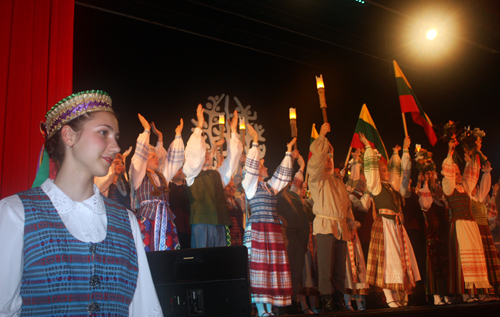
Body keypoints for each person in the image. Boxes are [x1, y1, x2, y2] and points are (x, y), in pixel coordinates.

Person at [0, 90, 162, 316]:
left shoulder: (126, 221)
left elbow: (144, 309)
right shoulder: (16, 213)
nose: (115, 146)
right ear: (69, 136)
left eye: (115, 136)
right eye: (104, 132)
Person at [360, 133, 421, 308]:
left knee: (401, 258)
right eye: (383, 170)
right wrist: (368, 147)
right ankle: (389, 297)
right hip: (385, 226)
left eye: (387, 170)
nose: (386, 173)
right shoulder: (376, 187)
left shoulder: (393, 189)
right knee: (388, 261)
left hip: (397, 226)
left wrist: (402, 150)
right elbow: (370, 173)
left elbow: (401, 174)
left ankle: (402, 295)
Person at [242, 124, 296, 317]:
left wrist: (288, 153)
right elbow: (250, 168)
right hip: (257, 229)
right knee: (260, 268)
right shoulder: (250, 186)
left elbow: (282, 175)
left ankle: (269, 308)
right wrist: (255, 142)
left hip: (271, 230)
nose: (265, 168)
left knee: (272, 267)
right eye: (263, 166)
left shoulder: (269, 186)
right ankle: (260, 309)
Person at [308, 123, 356, 312]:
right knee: (326, 268)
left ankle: (337, 300)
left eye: (330, 158)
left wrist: (351, 226)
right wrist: (322, 137)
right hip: (325, 226)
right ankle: (326, 302)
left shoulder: (338, 183)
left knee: (339, 269)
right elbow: (315, 163)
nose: (327, 161)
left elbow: (347, 208)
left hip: (341, 227)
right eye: (325, 158)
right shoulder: (317, 180)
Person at [183, 104, 243, 248]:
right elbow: (194, 154)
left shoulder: (218, 175)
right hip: (202, 222)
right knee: (203, 260)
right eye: (204, 152)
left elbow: (232, 159)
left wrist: (234, 131)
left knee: (219, 260)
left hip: (221, 223)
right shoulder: (191, 174)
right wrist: (200, 125)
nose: (207, 154)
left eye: (208, 153)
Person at [441, 139, 491, 302]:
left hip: (471, 226)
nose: (457, 175)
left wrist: (475, 151)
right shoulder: (449, 188)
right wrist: (450, 151)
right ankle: (465, 294)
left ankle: (481, 293)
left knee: (477, 258)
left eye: (458, 173)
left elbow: (472, 171)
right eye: (454, 173)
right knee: (462, 258)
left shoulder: (466, 188)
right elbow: (447, 175)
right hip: (459, 226)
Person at [130, 114, 184, 251]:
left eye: (156, 157)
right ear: (145, 159)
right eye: (152, 156)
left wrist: (177, 135)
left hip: (165, 218)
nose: (157, 159)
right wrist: (146, 130)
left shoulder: (162, 176)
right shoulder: (139, 176)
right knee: (148, 251)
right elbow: (138, 157)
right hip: (148, 219)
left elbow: (173, 161)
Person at [276, 154, 310, 314]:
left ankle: (294, 302)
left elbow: (298, 181)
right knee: (285, 272)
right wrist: (288, 156)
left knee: (296, 272)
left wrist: (302, 166)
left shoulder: (294, 196)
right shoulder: (276, 193)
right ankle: (283, 305)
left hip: (299, 240)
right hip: (284, 238)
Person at [169, 168, 192, 249]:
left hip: (190, 229)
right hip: (175, 230)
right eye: (177, 169)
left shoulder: (190, 188)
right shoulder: (168, 189)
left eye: (181, 168)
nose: (180, 170)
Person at [225, 178, 245, 246]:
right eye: (228, 186)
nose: (231, 189)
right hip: (228, 238)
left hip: (239, 238)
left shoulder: (237, 203)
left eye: (233, 187)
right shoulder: (222, 203)